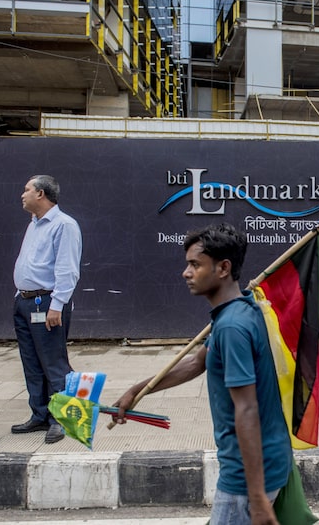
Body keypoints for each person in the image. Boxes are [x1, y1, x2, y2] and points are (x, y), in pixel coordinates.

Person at [113, 223, 292, 525]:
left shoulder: (233, 327)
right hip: (262, 463)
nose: (186, 272)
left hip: (245, 476)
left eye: (195, 264)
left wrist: (257, 496)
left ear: (223, 268)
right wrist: (136, 390)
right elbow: (197, 363)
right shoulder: (240, 311)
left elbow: (247, 409)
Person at [11, 175, 82, 445]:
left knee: (54, 363)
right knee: (32, 363)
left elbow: (67, 269)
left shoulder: (64, 225)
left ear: (41, 194)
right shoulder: (35, 225)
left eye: (26, 189)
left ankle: (61, 420)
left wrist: (57, 304)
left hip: (47, 304)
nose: (23, 194)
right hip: (24, 302)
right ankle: (39, 414)